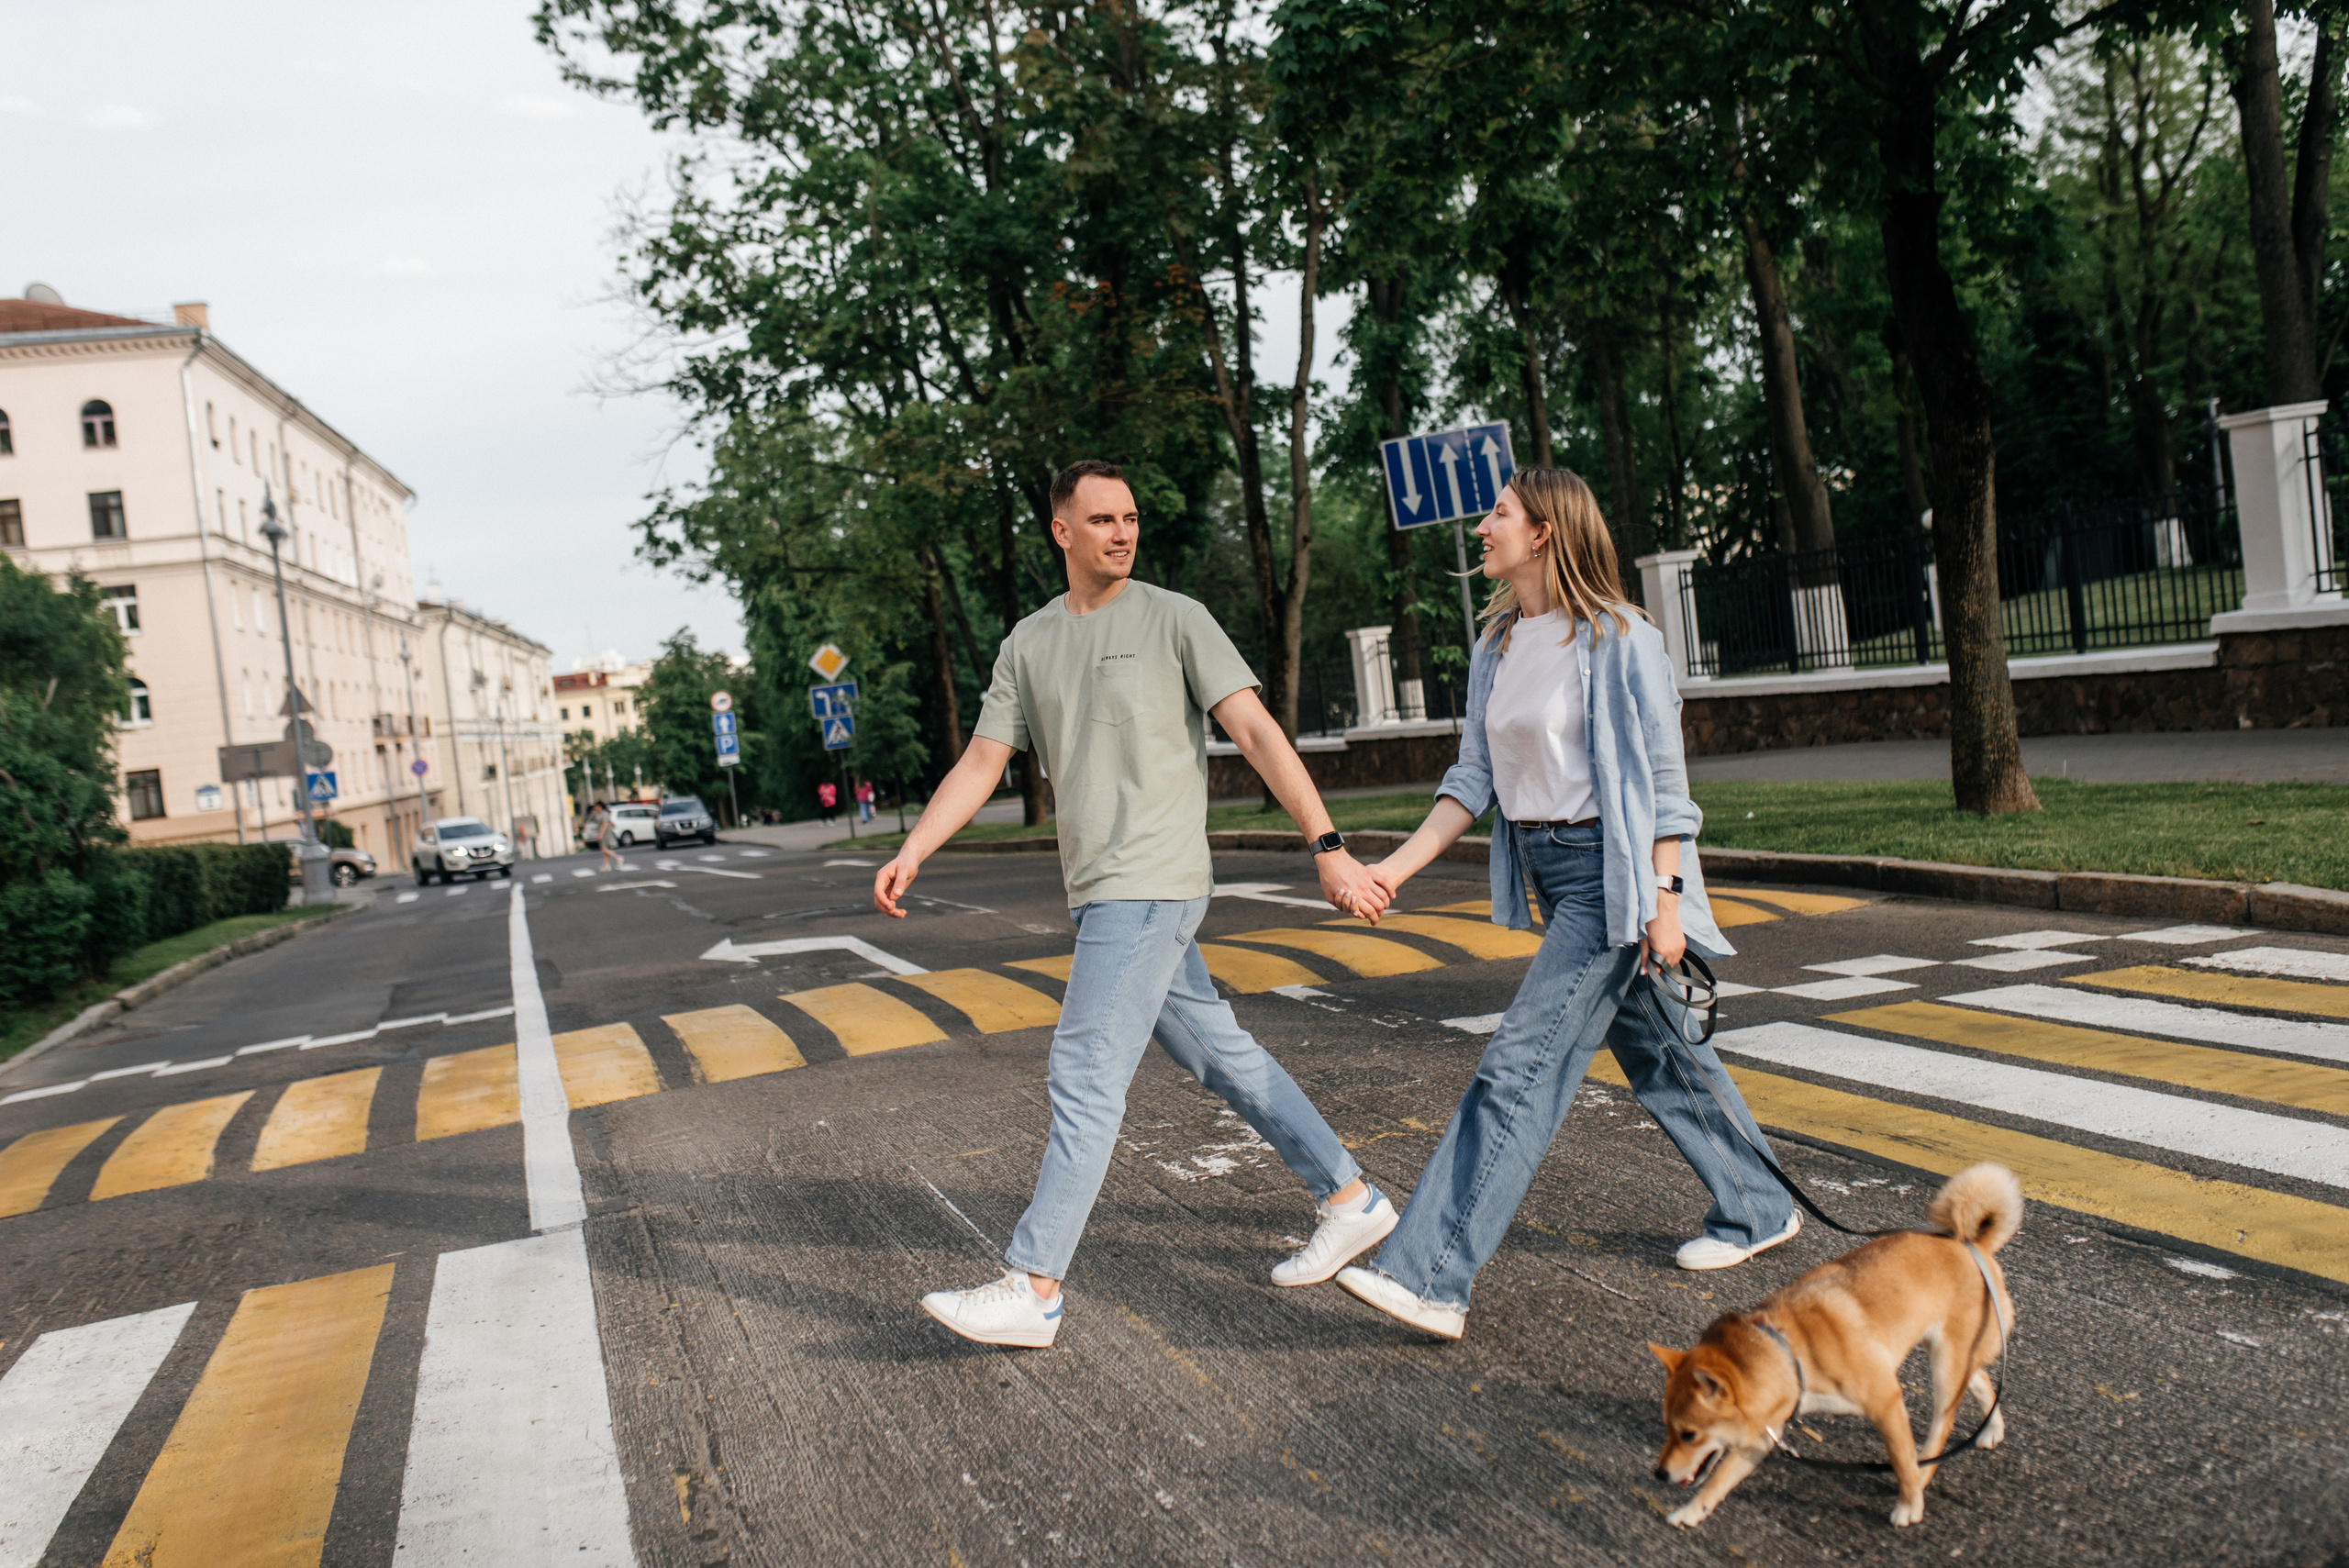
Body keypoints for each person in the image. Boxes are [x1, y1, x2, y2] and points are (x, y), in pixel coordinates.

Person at [876, 460, 1400, 1350]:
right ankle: (1351, 1197)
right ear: (1062, 532)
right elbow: (981, 760)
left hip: (1151, 880)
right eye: (1102, 518)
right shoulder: (1029, 642)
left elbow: (1256, 730)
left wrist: (1325, 844)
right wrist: (914, 845)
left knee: (1083, 1071)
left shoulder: (1175, 618)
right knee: (1217, 1053)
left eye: (1130, 516)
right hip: (1102, 887)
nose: (1121, 531)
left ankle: (1034, 1284)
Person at [1328, 466, 1798, 1343]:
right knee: (1662, 1055)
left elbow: (1667, 789)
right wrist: (1393, 868)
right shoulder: (1498, 645)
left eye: (1498, 513)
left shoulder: (1622, 637)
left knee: (1520, 1067)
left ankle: (1430, 1274)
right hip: (1551, 870)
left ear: (1543, 531)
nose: (1481, 527)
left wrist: (1663, 899)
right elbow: (1472, 780)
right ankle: (1760, 1202)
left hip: (1611, 876)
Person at [591, 803, 623, 873]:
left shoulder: (604, 813)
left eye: (596, 807)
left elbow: (605, 824)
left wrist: (600, 834)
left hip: (605, 833)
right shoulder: (599, 814)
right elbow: (608, 821)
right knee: (604, 850)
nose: (595, 808)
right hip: (603, 832)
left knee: (604, 849)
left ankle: (618, 858)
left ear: (599, 806)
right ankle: (606, 865)